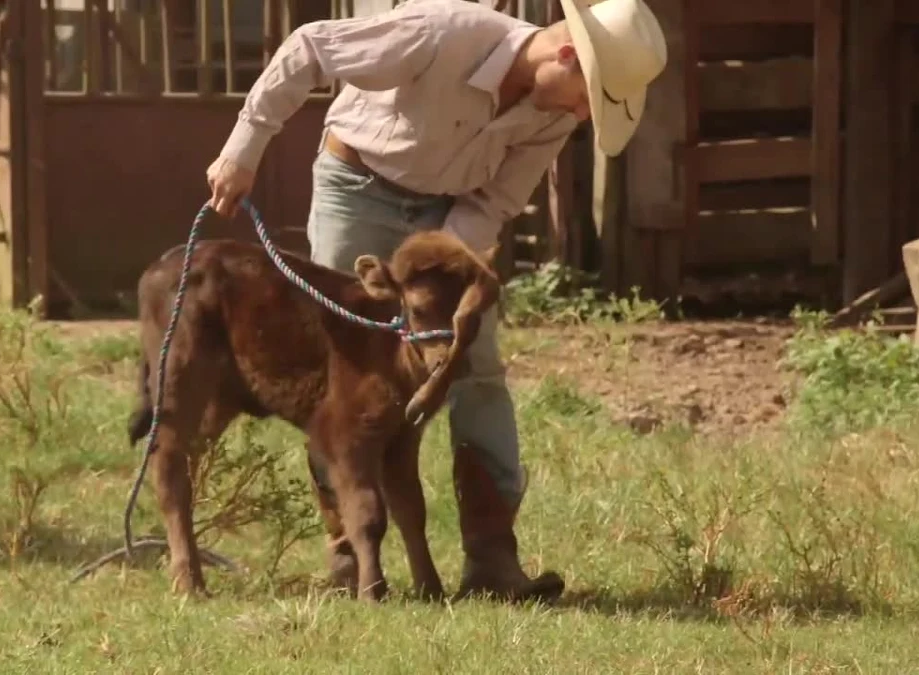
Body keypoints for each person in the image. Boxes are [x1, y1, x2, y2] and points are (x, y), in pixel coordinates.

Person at [206, 0, 667, 603]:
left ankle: (493, 560)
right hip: (357, 189)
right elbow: (311, 47)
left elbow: (493, 203)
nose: (584, 116)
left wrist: (439, 278)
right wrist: (244, 148)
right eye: (592, 97)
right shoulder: (441, 34)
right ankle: (349, 556)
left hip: (449, 215)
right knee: (345, 368)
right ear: (566, 56)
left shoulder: (553, 117)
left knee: (475, 365)